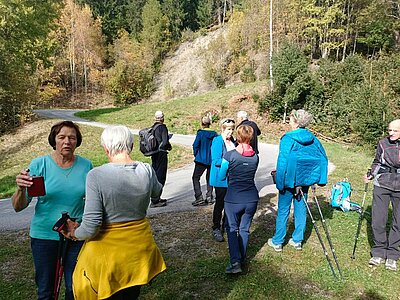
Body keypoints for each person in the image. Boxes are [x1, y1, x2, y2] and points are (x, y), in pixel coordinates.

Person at [62, 125, 166, 299]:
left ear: (105, 148)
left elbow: (91, 227)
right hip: (139, 252)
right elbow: (157, 193)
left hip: (109, 258)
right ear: (131, 145)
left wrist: (74, 232)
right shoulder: (146, 169)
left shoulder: (96, 176)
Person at [11, 120, 93, 300]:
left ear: (77, 141)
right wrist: (19, 188)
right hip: (44, 236)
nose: (67, 142)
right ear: (54, 140)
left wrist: (84, 224)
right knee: (46, 290)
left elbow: (94, 202)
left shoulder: (86, 166)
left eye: (72, 138)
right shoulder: (40, 165)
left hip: (75, 235)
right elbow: (18, 207)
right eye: (62, 137)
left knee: (75, 288)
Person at [267, 109, 328, 252]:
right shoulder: (313, 138)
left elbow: (282, 162)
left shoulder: (288, 138)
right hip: (304, 180)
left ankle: (278, 241)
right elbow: (323, 157)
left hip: (289, 180)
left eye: (290, 119)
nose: (289, 122)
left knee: (283, 209)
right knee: (301, 208)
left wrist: (280, 183)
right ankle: (297, 240)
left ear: (295, 121)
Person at [219, 125, 259, 274]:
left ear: (238, 136)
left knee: (231, 228)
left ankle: (235, 262)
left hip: (233, 198)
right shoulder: (256, 157)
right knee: (244, 229)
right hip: (251, 199)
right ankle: (241, 258)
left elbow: (222, 175)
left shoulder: (230, 155)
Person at [365, 119, 400, 271]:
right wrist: (370, 174)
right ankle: (378, 251)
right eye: (389, 130)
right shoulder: (383, 143)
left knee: (398, 222)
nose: (391, 133)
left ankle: (392, 255)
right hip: (382, 184)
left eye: (395, 130)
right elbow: (377, 161)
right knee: (378, 220)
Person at [210, 118, 236, 242]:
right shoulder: (217, 141)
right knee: (220, 203)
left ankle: (227, 225)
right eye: (228, 129)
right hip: (220, 178)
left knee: (229, 203)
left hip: (231, 178)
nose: (231, 132)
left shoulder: (233, 142)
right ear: (223, 129)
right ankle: (216, 227)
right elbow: (215, 161)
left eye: (232, 129)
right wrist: (231, 162)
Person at [191, 116, 218, 206]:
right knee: (209, 178)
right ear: (210, 123)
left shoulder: (200, 133)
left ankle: (199, 197)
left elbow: (195, 145)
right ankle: (209, 196)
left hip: (201, 160)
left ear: (202, 123)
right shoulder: (214, 134)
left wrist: (196, 155)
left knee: (195, 178)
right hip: (212, 160)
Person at [150, 110, 172, 208]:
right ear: (163, 117)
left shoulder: (153, 127)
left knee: (155, 175)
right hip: (161, 154)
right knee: (161, 176)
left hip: (154, 154)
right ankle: (155, 200)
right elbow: (165, 141)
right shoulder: (162, 127)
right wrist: (169, 147)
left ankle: (156, 197)